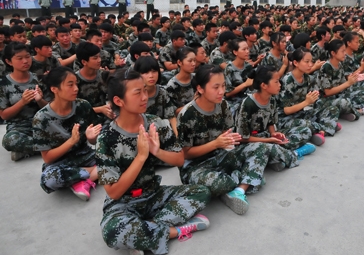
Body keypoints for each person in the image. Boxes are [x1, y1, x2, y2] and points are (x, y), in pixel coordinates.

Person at [96, 68, 211, 255]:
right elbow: (114, 192)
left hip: (152, 194)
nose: (145, 97)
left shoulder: (154, 123)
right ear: (118, 101)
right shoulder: (106, 138)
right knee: (111, 231)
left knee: (202, 192)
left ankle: (144, 232)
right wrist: (141, 157)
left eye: (144, 90)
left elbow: (180, 159)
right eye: (137, 92)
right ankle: (176, 231)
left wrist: (156, 151)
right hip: (124, 203)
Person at [177, 64, 270, 215]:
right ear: (200, 89)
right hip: (197, 166)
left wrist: (228, 143)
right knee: (215, 183)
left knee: (260, 148)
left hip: (220, 155)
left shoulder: (223, 105)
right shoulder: (187, 115)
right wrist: (215, 144)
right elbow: (185, 154)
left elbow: (228, 137)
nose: (222, 91)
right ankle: (250, 178)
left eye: (223, 85)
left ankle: (239, 190)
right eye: (216, 87)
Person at [32, 66, 101, 199]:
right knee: (50, 179)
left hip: (85, 155)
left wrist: (92, 138)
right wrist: (71, 142)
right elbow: (47, 158)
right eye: (70, 85)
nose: (76, 89)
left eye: (76, 84)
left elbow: (94, 140)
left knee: (121, 157)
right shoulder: (41, 118)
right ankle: (95, 174)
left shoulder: (83, 105)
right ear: (54, 89)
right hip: (60, 163)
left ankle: (82, 179)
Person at [235, 65, 314, 171]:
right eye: (276, 82)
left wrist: (273, 134)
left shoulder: (271, 100)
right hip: (250, 143)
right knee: (265, 148)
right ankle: (293, 154)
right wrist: (268, 140)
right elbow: (242, 138)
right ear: (264, 85)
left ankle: (275, 158)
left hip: (266, 137)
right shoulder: (248, 104)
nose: (280, 84)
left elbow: (270, 122)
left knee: (304, 130)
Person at [278, 48, 341, 146]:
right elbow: (286, 110)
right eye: (306, 61)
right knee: (306, 124)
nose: (311, 64)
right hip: (285, 118)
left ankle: (321, 130)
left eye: (311, 61)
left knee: (333, 109)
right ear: (296, 63)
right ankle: (325, 127)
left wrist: (313, 100)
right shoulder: (288, 80)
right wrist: (306, 102)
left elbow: (314, 100)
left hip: (301, 112)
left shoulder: (308, 78)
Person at [0, 42, 47, 161]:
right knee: (10, 140)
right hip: (19, 128)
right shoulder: (4, 84)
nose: (25, 61)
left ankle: (28, 151)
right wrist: (22, 102)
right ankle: (51, 148)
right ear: (9, 61)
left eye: (27, 56)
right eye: (19, 58)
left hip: (43, 123)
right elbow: (4, 115)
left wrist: (40, 100)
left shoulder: (38, 78)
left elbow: (52, 107)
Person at [319, 39, 364, 121]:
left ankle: (345, 112)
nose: (345, 54)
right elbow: (328, 92)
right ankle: (357, 110)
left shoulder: (339, 64)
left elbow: (344, 81)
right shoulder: (326, 67)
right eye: (342, 51)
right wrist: (348, 83)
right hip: (327, 100)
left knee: (363, 93)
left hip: (340, 95)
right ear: (333, 53)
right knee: (344, 102)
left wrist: (354, 78)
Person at [134, 56, 178, 136]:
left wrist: (177, 135)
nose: (151, 76)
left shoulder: (162, 92)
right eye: (146, 73)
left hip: (161, 133)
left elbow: (171, 116)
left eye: (154, 71)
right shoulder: (133, 95)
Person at [224, 38, 254, 116]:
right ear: (235, 52)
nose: (247, 51)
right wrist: (245, 84)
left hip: (247, 97)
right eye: (244, 49)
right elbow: (227, 93)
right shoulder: (229, 69)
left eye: (247, 48)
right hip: (233, 102)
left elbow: (252, 87)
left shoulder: (248, 66)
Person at [164, 47, 196, 119]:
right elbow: (174, 112)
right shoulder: (172, 86)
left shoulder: (197, 78)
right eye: (190, 61)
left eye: (194, 60)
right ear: (179, 62)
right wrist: (194, 103)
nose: (193, 64)